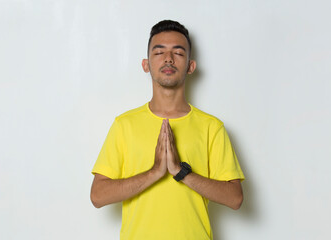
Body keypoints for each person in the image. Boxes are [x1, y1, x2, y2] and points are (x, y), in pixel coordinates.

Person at [90, 20, 245, 240]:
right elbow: (98, 196)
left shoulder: (212, 127)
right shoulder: (124, 125)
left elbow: (235, 198)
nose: (168, 59)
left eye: (178, 53)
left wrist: (181, 173)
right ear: (146, 64)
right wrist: (154, 172)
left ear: (191, 66)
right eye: (159, 52)